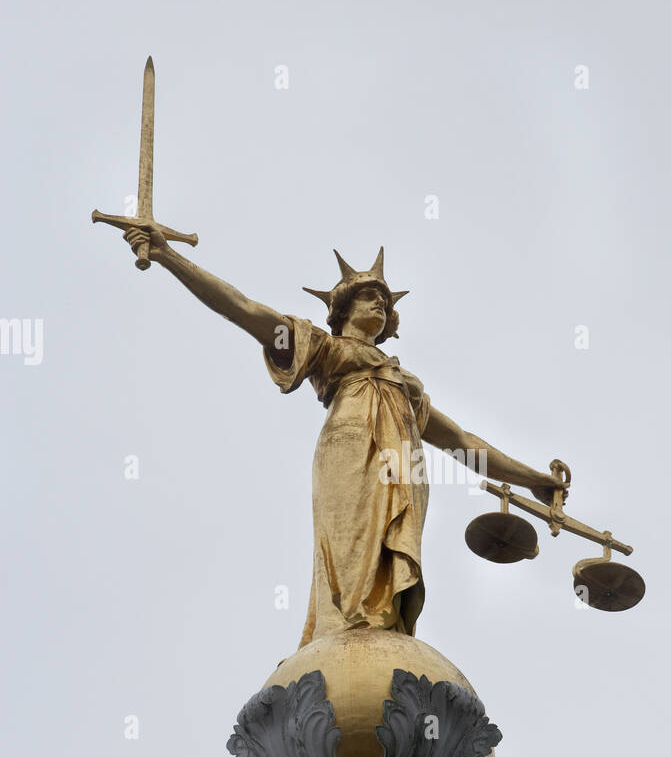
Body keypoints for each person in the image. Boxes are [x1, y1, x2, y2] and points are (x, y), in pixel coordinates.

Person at [122, 228, 565, 648]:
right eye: (369, 297)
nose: (378, 305)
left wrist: (535, 482)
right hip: (350, 451)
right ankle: (343, 627)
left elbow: (464, 443)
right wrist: (168, 256)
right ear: (343, 310)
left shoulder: (404, 383)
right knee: (349, 547)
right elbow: (243, 308)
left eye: (384, 302)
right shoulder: (325, 348)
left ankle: (384, 624)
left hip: (404, 469)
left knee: (387, 562)